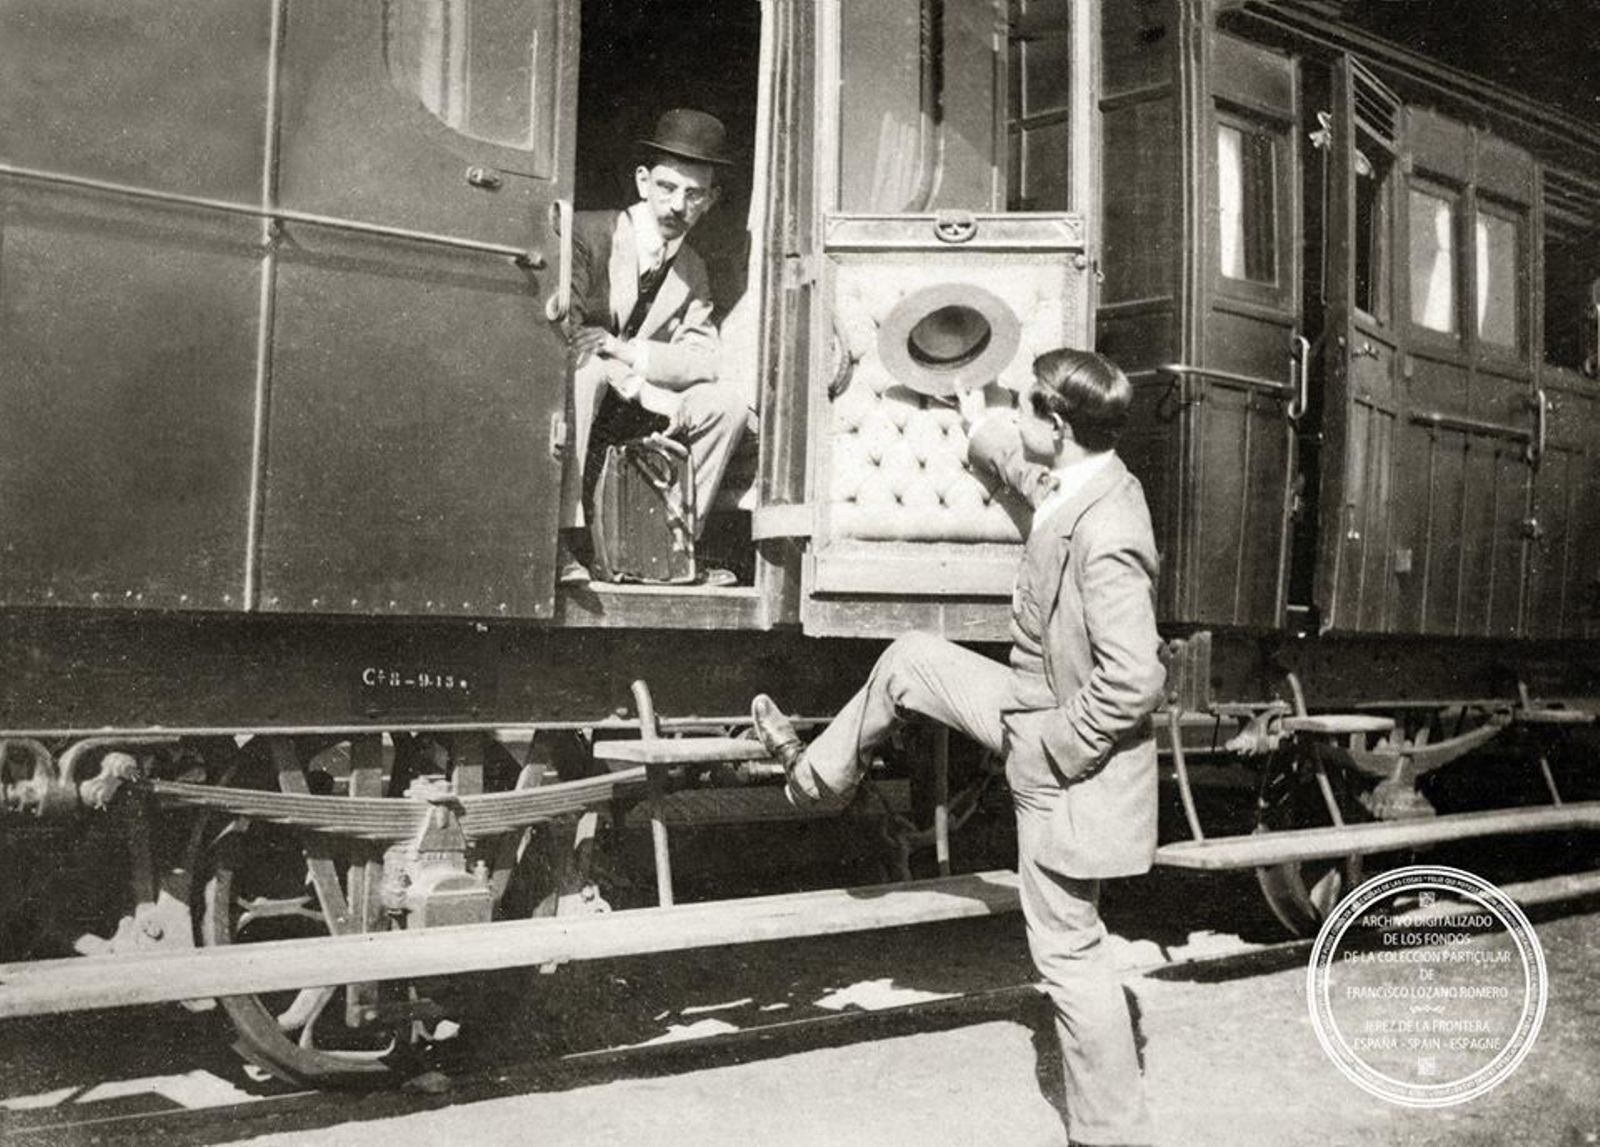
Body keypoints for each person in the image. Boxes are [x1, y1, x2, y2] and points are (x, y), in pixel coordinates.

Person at [751, 348, 1166, 1147]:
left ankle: (1114, 1136)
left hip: (1063, 758)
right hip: (1031, 706)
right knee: (912, 658)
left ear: (1059, 423)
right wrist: (980, 427)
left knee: (1072, 955)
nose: (1022, 418)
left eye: (1029, 409)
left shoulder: (1109, 529)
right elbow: (1023, 473)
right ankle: (812, 778)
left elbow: (1134, 678)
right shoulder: (1083, 478)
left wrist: (1047, 752)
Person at [557, 108, 749, 586]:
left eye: (693, 194)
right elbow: (567, 333)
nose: (676, 206)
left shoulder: (692, 268)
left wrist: (630, 356)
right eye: (666, 187)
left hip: (632, 400)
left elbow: (704, 361)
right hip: (575, 398)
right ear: (643, 182)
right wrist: (641, 385)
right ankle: (560, 542)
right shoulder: (586, 234)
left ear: (710, 201)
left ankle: (669, 548)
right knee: (588, 370)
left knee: (726, 404)